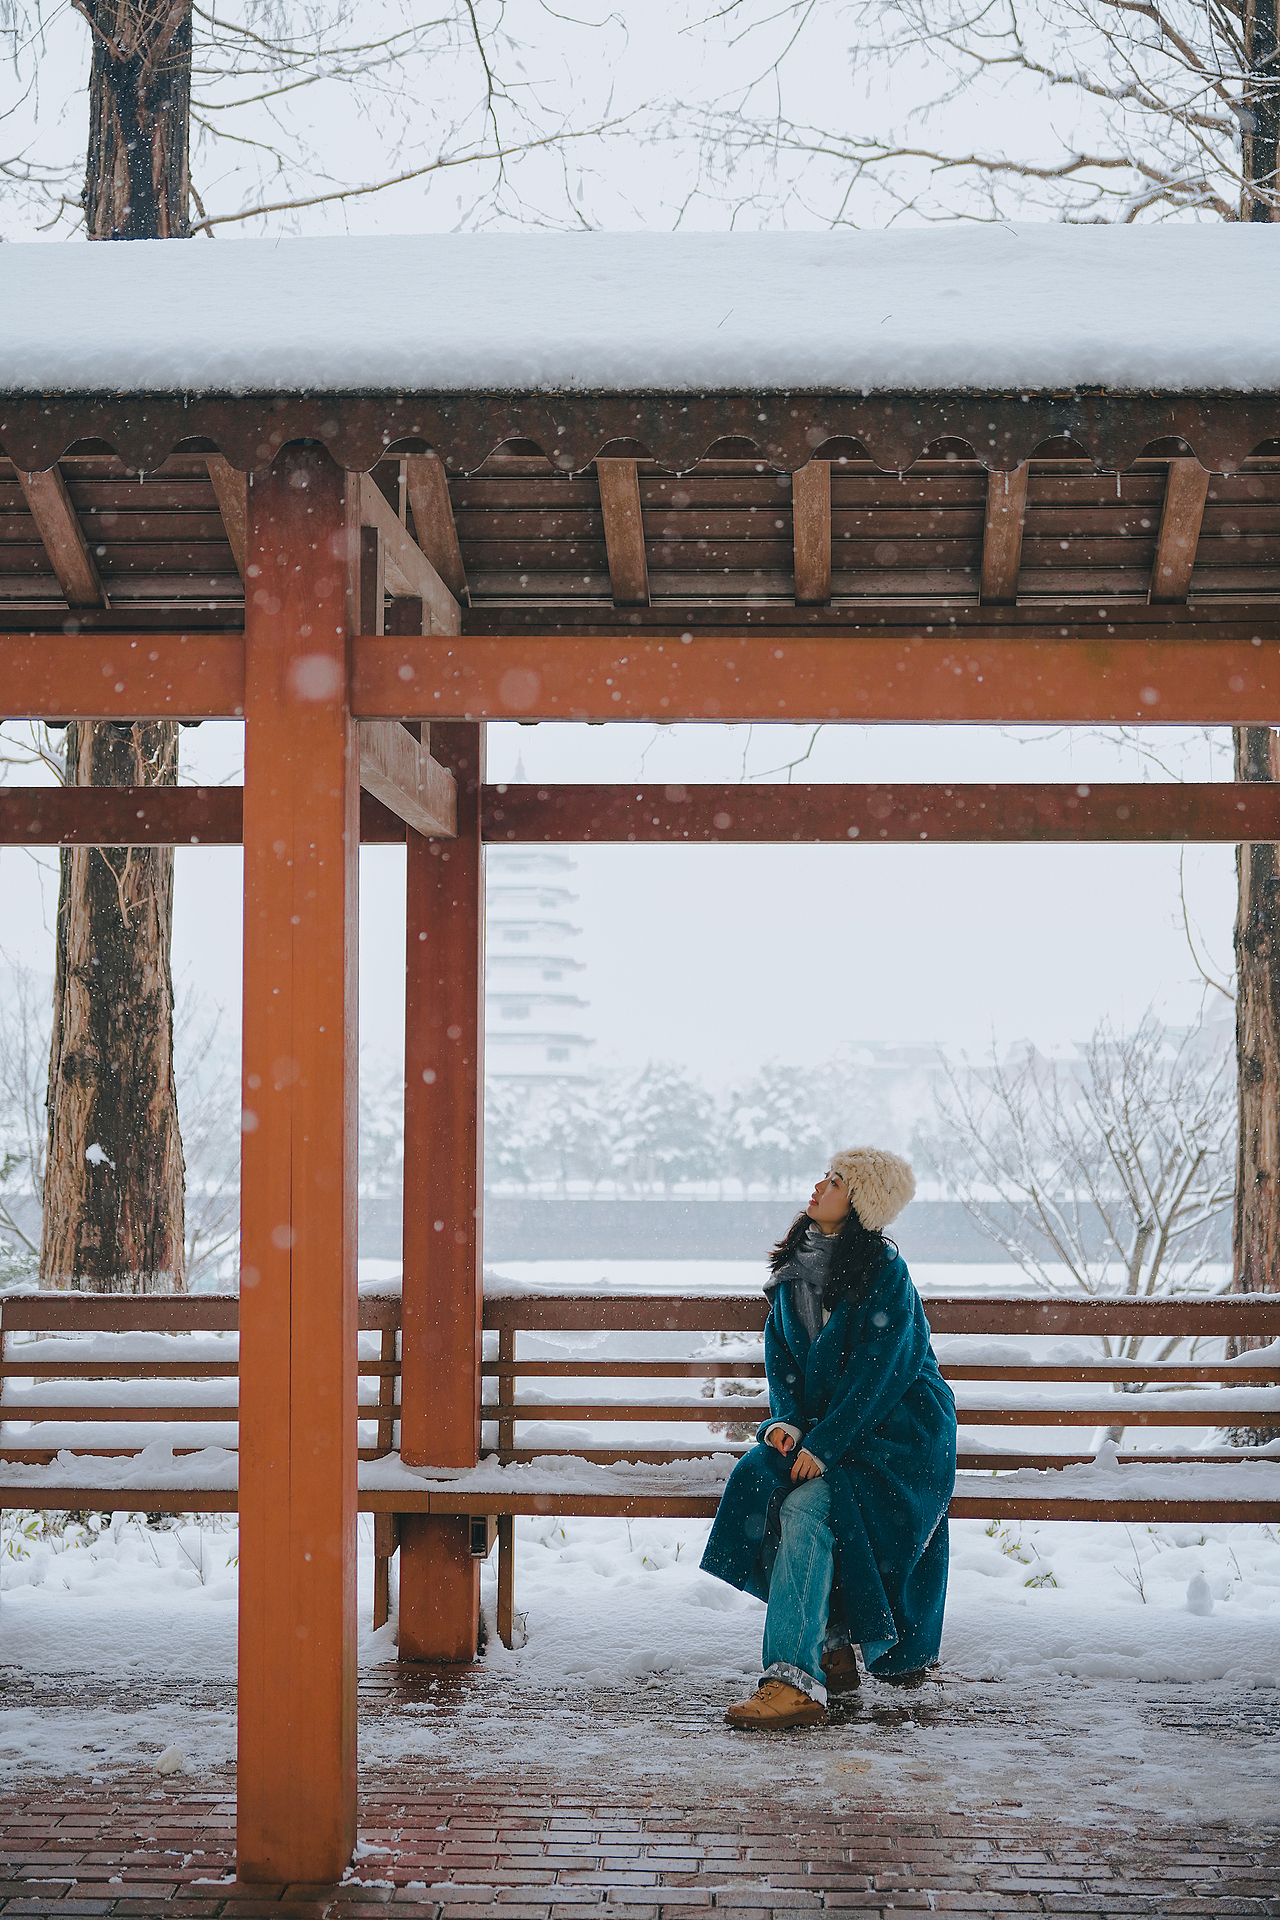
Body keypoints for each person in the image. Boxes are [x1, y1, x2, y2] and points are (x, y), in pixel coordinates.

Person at [701, 1146, 957, 1730]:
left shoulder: (884, 1273)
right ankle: (831, 1641)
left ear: (862, 1202)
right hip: (833, 1432)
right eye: (826, 1175)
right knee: (759, 1486)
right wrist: (788, 1421)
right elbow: (783, 1359)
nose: (820, 1186)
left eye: (837, 1181)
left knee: (810, 1504)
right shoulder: (796, 1268)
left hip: (901, 1438)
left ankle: (791, 1679)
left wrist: (826, 1446)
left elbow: (880, 1372)